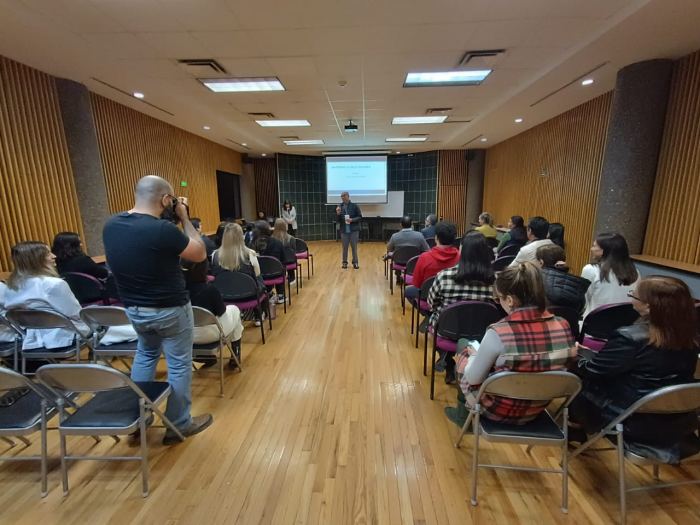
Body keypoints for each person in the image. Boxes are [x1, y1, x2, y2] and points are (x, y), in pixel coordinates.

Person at [103, 175, 212, 446]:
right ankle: (178, 424)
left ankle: (140, 418)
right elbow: (199, 253)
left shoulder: (111, 224)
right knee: (178, 364)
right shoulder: (163, 229)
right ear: (166, 199)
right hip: (170, 308)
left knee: (146, 355)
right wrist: (184, 217)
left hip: (134, 309)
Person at [568, 276, 700, 460]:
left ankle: (574, 429)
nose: (631, 298)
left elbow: (592, 371)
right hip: (677, 422)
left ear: (649, 307)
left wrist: (577, 355)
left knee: (577, 378)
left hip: (631, 422)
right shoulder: (690, 338)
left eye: (633, 295)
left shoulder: (629, 337)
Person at [445, 262, 577, 427]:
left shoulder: (498, 332)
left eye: (498, 298)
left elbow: (473, 378)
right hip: (537, 407)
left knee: (465, 350)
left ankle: (462, 416)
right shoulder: (563, 325)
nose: (498, 302)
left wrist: (473, 356)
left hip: (498, 410)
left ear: (509, 300)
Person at [428, 231, 496, 384]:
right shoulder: (495, 280)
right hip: (482, 333)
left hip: (447, 331)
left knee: (435, 320)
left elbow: (432, 304)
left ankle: (448, 361)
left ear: (462, 249)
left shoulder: (444, 276)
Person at [2, 241, 90, 350]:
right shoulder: (54, 284)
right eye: (48, 254)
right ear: (36, 260)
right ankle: (98, 359)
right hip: (65, 335)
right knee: (100, 321)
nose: (54, 256)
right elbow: (76, 314)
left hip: (31, 338)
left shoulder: (11, 286)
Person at [182, 258, 243, 369]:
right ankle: (236, 353)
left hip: (186, 335)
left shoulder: (178, 291)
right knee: (234, 309)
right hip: (212, 334)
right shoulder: (210, 289)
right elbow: (221, 311)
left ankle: (205, 358)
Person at [212, 223, 267, 326]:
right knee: (259, 278)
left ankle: (240, 315)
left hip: (224, 295)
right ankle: (259, 314)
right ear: (241, 236)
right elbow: (257, 274)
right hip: (249, 294)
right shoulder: (250, 254)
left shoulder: (215, 255)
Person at [581, 233, 639, 318]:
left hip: (594, 321)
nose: (591, 249)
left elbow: (583, 301)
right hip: (625, 322)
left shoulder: (591, 269)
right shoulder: (635, 272)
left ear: (603, 250)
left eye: (594, 246)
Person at [404, 221, 460, 302]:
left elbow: (417, 284)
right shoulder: (460, 257)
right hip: (452, 295)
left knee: (407, 292)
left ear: (436, 238)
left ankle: (426, 310)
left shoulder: (424, 257)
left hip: (427, 295)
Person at [536, 244, 590, 314]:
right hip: (569, 321)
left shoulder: (535, 283)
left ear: (541, 263)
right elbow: (581, 309)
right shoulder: (577, 284)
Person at [253, 221, 288, 304]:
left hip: (260, 276)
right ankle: (280, 295)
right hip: (277, 273)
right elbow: (284, 260)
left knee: (262, 268)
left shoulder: (253, 245)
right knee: (280, 267)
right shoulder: (277, 243)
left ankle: (268, 293)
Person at [336, 191, 362, 269]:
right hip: (344, 230)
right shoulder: (339, 207)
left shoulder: (354, 206)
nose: (343, 197)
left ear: (348, 196)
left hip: (353, 230)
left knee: (354, 247)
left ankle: (355, 262)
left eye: (344, 196)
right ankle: (344, 262)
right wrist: (338, 214)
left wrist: (352, 220)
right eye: (342, 196)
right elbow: (337, 220)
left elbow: (360, 217)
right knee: (345, 247)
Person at [272, 218, 297, 286]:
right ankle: (292, 278)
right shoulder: (291, 238)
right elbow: (294, 251)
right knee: (290, 256)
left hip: (277, 262)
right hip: (290, 260)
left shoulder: (271, 239)